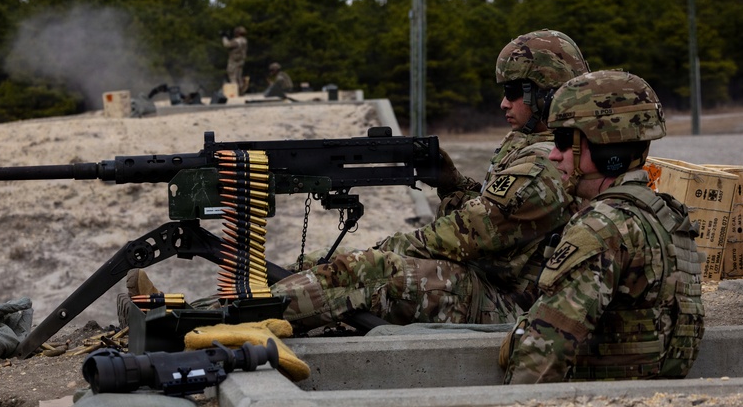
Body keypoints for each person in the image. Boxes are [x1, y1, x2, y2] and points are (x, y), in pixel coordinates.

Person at [268, 29, 589, 333]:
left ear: (546, 92)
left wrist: (379, 250)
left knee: (369, 271)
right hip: (486, 282)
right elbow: (504, 219)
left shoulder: (546, 162)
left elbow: (470, 232)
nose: (504, 103)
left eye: (513, 91)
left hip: (511, 304)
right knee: (319, 262)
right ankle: (248, 305)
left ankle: (244, 320)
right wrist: (453, 184)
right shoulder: (527, 143)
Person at [503, 70, 704, 383]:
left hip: (597, 402)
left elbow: (543, 353)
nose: (554, 155)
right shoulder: (667, 217)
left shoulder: (602, 226)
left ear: (605, 149)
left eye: (563, 141)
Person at [223, 27, 248, 94]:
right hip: (241, 60)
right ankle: (241, 90)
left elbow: (227, 45)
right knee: (238, 76)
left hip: (234, 60)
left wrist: (224, 37)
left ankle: (235, 91)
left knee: (232, 76)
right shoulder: (244, 40)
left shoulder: (237, 41)